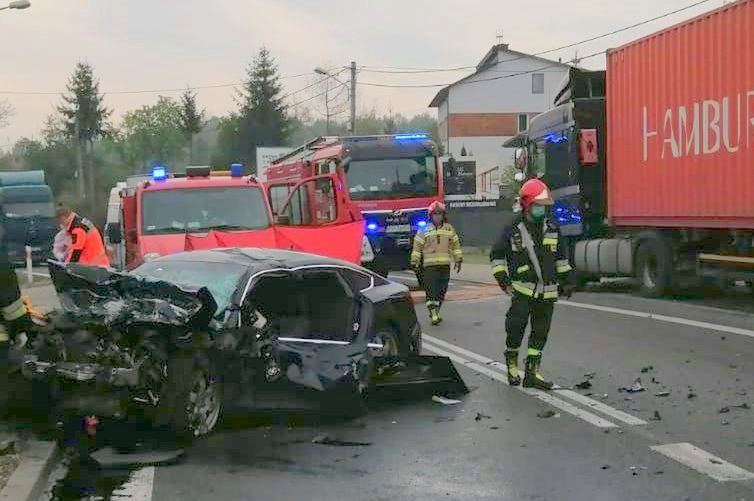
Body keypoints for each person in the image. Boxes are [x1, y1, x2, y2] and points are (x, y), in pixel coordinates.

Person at [489, 179, 574, 390]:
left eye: (544, 206)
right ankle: (511, 364)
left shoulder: (552, 227)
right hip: (522, 290)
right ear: (527, 204)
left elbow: (561, 258)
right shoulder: (512, 228)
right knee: (515, 328)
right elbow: (496, 256)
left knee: (540, 332)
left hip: (547, 293)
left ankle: (532, 373)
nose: (541, 209)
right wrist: (503, 280)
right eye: (538, 205)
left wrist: (567, 280)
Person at [410, 201, 463, 325]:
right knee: (431, 291)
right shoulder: (424, 229)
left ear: (444, 215)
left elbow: (455, 245)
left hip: (445, 265)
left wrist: (458, 259)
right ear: (430, 215)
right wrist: (415, 262)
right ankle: (434, 315)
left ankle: (436, 312)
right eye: (435, 214)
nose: (437, 216)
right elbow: (417, 247)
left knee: (441, 291)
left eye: (440, 214)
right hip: (429, 267)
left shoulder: (449, 228)